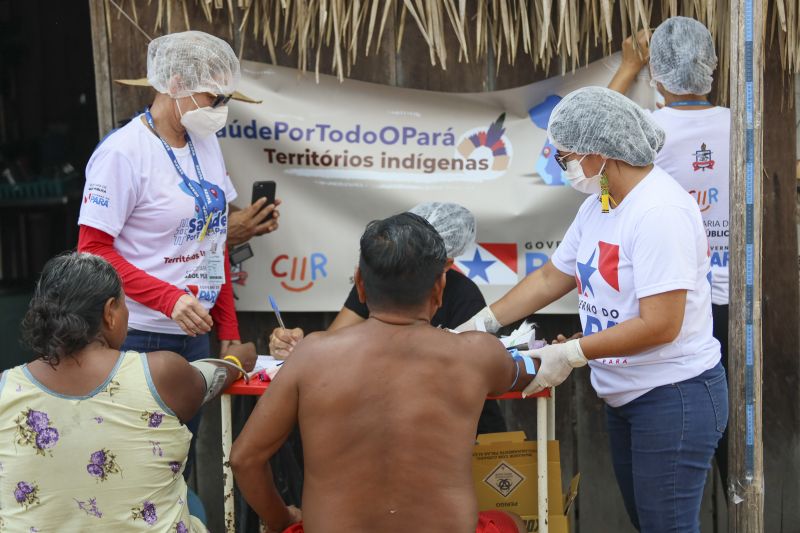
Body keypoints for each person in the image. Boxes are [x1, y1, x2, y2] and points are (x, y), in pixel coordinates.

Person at [458, 87, 728, 532]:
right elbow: (550, 278)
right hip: (624, 393)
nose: (562, 165)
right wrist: (479, 324)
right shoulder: (599, 206)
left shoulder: (659, 212)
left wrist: (572, 352)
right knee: (651, 525)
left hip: (673, 394)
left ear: (600, 154)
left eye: (565, 157)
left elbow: (661, 324)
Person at [230, 213, 539, 533]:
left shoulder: (312, 355)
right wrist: (565, 351)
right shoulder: (476, 353)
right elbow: (531, 369)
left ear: (360, 284)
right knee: (513, 521)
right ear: (440, 286)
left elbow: (244, 459)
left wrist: (283, 521)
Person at [76, 31, 257, 470]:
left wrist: (226, 325)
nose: (219, 110)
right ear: (175, 84)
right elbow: (93, 251)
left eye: (223, 100)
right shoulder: (123, 153)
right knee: (129, 461)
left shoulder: (205, 143)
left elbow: (212, 242)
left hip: (193, 336)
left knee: (177, 458)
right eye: (212, 98)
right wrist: (168, 298)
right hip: (134, 333)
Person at [0, 252, 256, 531]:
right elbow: (215, 375)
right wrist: (238, 358)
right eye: (125, 304)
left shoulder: (5, 389)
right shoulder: (160, 375)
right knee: (192, 505)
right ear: (110, 312)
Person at [608, 17, 731, 490]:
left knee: (673, 461)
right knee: (729, 439)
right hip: (733, 304)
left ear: (656, 75)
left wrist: (626, 66)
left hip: (672, 302)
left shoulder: (648, 131)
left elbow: (595, 134)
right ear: (713, 68)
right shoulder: (741, 127)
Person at [269, 202, 506, 435]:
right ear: (362, 283)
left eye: (423, 256)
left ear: (444, 269)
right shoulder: (380, 281)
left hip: (464, 430)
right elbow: (332, 345)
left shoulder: (465, 296)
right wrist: (299, 349)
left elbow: (471, 376)